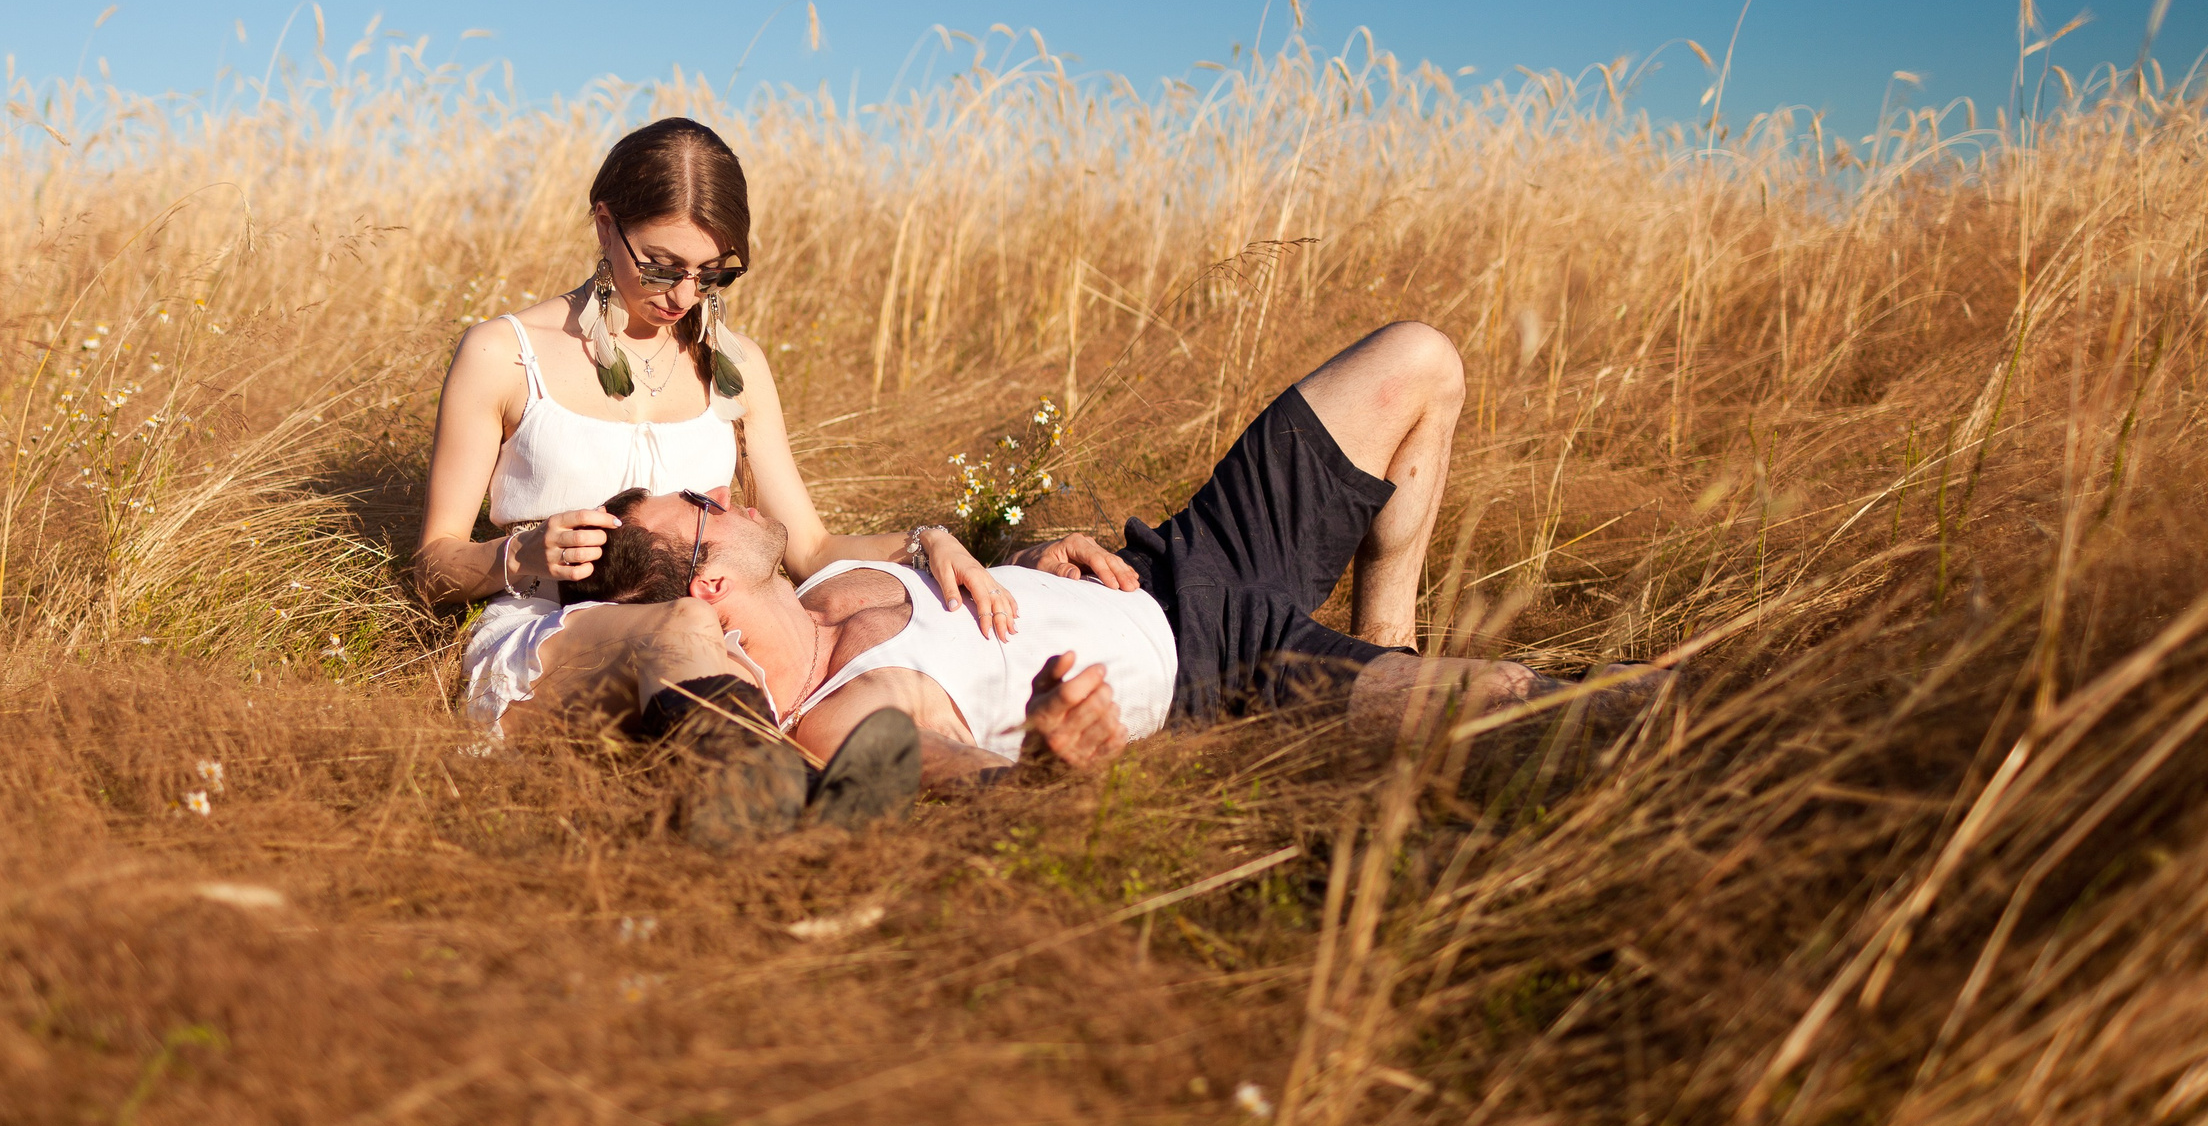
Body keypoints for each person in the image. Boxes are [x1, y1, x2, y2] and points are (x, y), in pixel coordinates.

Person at [534, 321, 1665, 797]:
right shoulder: (842, 712)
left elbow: (961, 548)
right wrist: (1052, 770)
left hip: (1183, 557)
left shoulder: (831, 575)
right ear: (709, 585)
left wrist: (1014, 547)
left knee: (1418, 358)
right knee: (1523, 705)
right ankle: (1709, 736)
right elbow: (964, 786)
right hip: (1233, 674)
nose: (718, 487)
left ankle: (1390, 633)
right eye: (696, 507)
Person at [412, 116, 1040, 768]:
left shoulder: (737, 367)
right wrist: (522, 554)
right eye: (661, 266)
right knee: (683, 624)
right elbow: (432, 567)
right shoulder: (503, 356)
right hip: (555, 641)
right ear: (604, 223)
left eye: (712, 274)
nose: (685, 294)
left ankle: (996, 790)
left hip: (730, 649)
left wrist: (924, 540)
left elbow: (811, 548)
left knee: (767, 653)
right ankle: (772, 779)